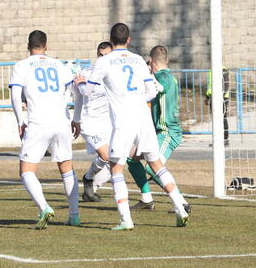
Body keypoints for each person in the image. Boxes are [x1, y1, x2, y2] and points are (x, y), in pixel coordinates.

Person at [75, 23, 190, 230]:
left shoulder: (104, 61)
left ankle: (126, 220)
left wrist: (80, 82)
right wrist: (136, 100)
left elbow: (87, 92)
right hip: (143, 117)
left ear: (111, 39)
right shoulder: (138, 59)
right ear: (129, 40)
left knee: (116, 167)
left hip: (123, 120)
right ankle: (181, 208)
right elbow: (152, 91)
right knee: (156, 164)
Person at [9, 30, 80, 228]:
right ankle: (74, 215)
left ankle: (44, 207)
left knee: (26, 171)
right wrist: (76, 119)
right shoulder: (59, 65)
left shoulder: (21, 66)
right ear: (46, 46)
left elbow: (15, 96)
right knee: (66, 168)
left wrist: (20, 121)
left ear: (28, 46)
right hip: (62, 121)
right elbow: (76, 92)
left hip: (38, 122)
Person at [126, 45, 187, 212]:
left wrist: (146, 75)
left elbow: (161, 86)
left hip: (168, 132)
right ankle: (146, 198)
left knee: (152, 167)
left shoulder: (163, 77)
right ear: (167, 61)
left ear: (151, 61)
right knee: (131, 157)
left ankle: (181, 202)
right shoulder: (167, 76)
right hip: (157, 132)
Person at [73, 41, 113, 201]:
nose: (103, 58)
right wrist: (76, 120)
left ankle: (91, 187)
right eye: (100, 55)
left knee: (116, 161)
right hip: (90, 123)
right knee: (106, 155)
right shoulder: (87, 73)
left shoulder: (115, 74)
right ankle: (88, 178)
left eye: (106, 55)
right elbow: (79, 97)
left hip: (109, 123)